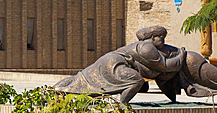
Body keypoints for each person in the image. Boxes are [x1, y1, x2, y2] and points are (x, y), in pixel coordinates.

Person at [54, 25, 186, 103]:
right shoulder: (147, 47)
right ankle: (121, 106)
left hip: (107, 60)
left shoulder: (140, 46)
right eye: (161, 38)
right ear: (152, 38)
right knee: (136, 81)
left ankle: (53, 90)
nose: (163, 41)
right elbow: (164, 65)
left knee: (82, 78)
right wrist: (181, 55)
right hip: (115, 63)